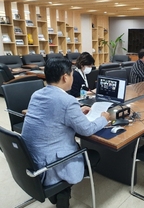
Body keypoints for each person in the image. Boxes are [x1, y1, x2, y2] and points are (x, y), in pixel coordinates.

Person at [21, 58, 110, 208]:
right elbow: (86, 130)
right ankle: (62, 191)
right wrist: (103, 118)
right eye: (72, 74)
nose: (73, 78)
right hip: (50, 165)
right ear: (65, 77)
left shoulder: (37, 94)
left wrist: (76, 112)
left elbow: (51, 115)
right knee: (94, 155)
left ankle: (60, 191)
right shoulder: (67, 100)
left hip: (31, 158)